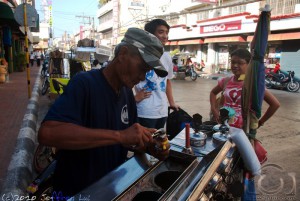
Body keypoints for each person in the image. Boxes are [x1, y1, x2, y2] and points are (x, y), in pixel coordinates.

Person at [38, 27, 170, 198]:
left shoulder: (127, 94)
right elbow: (47, 133)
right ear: (123, 54)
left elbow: (130, 139)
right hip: (75, 192)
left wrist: (150, 145)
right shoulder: (84, 84)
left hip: (109, 190)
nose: (143, 77)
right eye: (143, 68)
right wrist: (119, 136)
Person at [210, 48, 280, 129]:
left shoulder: (253, 84)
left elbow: (275, 104)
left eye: (240, 63)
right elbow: (213, 93)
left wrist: (261, 122)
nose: (235, 65)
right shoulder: (226, 81)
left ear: (248, 64)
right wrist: (214, 109)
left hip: (243, 131)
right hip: (224, 127)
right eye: (233, 62)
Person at [134, 19, 179, 130]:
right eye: (161, 32)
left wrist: (171, 102)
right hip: (144, 111)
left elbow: (167, 80)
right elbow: (125, 81)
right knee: (144, 145)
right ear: (150, 35)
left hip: (162, 112)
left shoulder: (166, 56)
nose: (165, 36)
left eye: (166, 33)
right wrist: (134, 98)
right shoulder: (139, 54)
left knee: (158, 144)